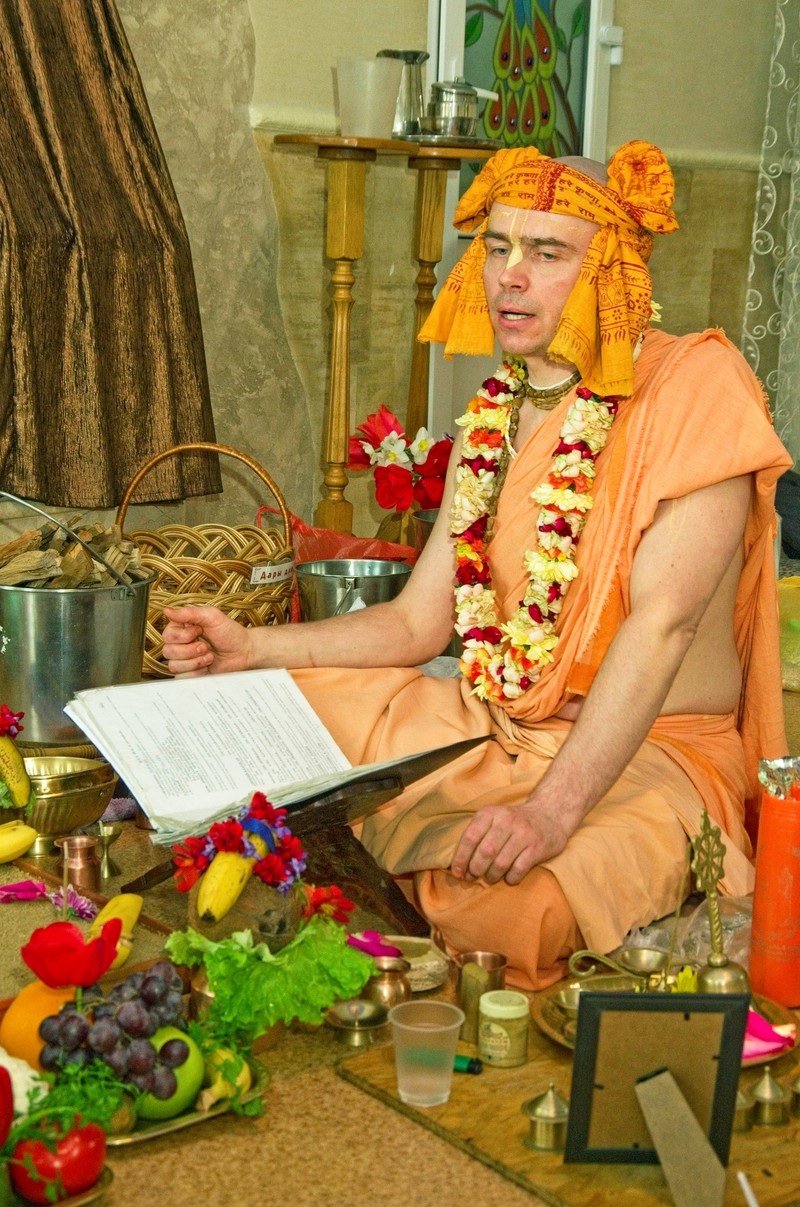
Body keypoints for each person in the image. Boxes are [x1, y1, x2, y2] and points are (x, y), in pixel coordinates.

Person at [162, 142, 791, 990]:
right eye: (497, 248)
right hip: (493, 720)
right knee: (244, 716)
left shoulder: (695, 387)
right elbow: (416, 624)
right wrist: (254, 649)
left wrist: (550, 814)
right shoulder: (496, 415)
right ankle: (404, 859)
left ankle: (397, 865)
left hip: (651, 751)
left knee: (516, 910)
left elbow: (665, 623)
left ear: (613, 269)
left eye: (547, 253)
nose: (509, 277)